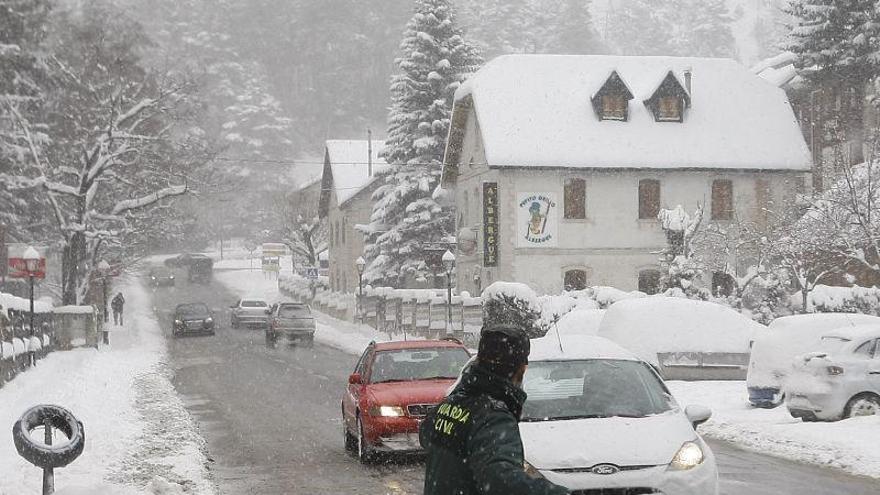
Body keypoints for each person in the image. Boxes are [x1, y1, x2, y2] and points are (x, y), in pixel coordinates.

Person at [420, 323, 569, 495]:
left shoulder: (452, 403)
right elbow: (499, 480)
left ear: (479, 360)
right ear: (520, 368)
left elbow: (425, 434)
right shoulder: (493, 417)